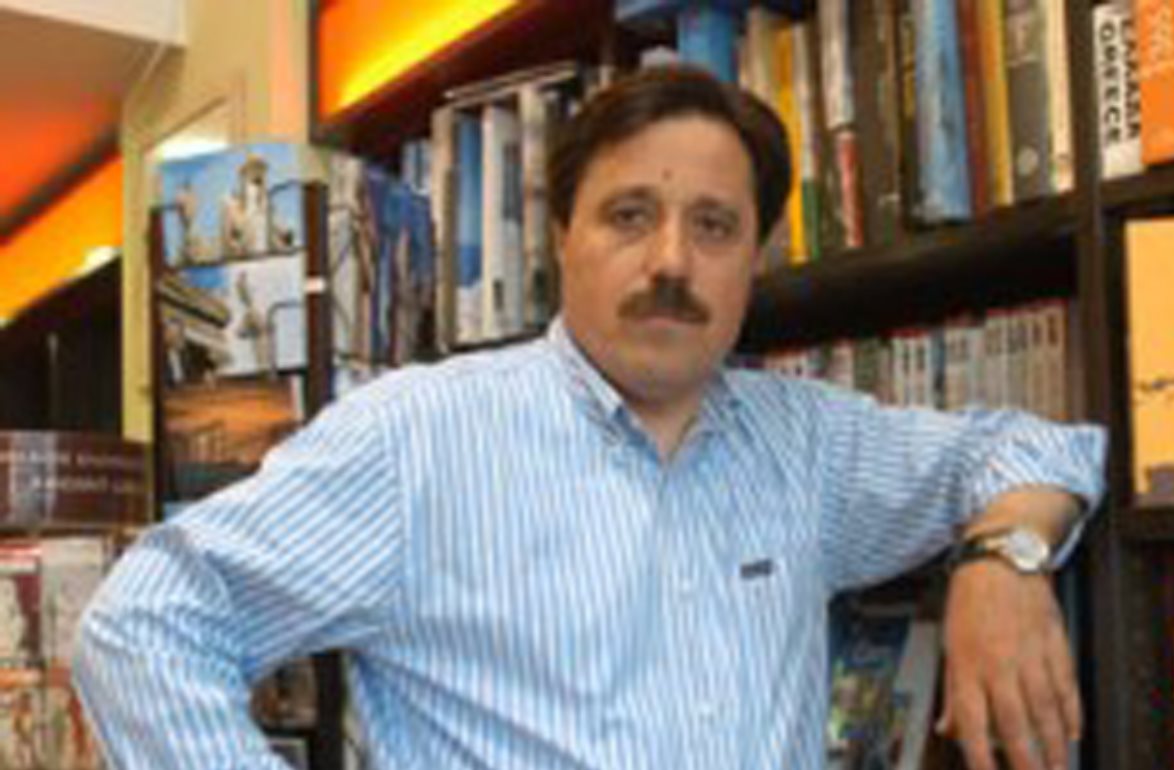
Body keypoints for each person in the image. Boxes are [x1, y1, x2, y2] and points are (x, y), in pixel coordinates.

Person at [74, 64, 1106, 770]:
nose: (670, 261)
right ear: (560, 236)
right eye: (629, 215)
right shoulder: (418, 439)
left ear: (754, 261)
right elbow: (144, 627)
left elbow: (1038, 445)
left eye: (713, 226)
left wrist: (1003, 562)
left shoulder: (806, 444)